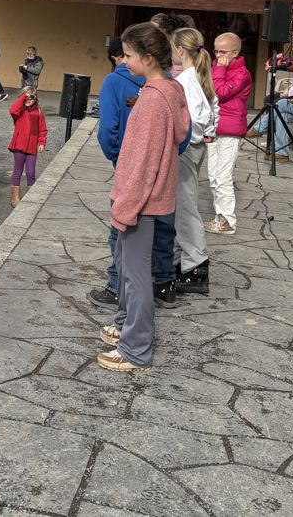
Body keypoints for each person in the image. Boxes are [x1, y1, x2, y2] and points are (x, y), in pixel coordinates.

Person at [96, 24, 189, 375]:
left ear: (148, 58)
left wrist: (126, 207)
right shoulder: (169, 89)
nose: (124, 60)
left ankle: (135, 348)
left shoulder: (152, 100)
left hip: (141, 201)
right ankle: (125, 324)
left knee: (135, 275)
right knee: (126, 266)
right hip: (151, 198)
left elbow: (142, 162)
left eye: (130, 55)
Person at [87, 46, 145, 309]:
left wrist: (116, 156)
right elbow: (184, 133)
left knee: (120, 225)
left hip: (128, 162)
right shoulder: (169, 83)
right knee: (154, 229)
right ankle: (159, 283)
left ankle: (116, 286)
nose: (124, 62)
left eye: (127, 56)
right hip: (156, 168)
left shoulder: (115, 80)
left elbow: (107, 128)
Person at [169, 28, 217, 297]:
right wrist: (207, 133)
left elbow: (197, 119)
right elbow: (212, 111)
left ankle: (196, 266)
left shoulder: (186, 80)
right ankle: (181, 261)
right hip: (195, 147)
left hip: (187, 149)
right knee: (181, 205)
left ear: (179, 50)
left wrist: (189, 139)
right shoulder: (199, 76)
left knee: (186, 207)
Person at [205, 32, 251, 236]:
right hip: (214, 126)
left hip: (230, 129)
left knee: (223, 176)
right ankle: (219, 217)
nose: (218, 55)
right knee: (213, 176)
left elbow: (219, 92)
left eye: (223, 51)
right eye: (215, 50)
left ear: (235, 52)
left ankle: (227, 220)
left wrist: (220, 70)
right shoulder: (217, 67)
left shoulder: (242, 73)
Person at [7, 86, 48, 206]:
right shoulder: (19, 111)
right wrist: (24, 97)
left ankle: (31, 197)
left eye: (32, 97)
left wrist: (42, 142)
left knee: (31, 172)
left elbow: (42, 130)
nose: (29, 99)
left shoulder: (39, 112)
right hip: (19, 145)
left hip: (31, 147)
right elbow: (13, 110)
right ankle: (15, 198)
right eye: (26, 96)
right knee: (17, 171)